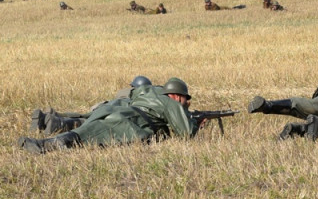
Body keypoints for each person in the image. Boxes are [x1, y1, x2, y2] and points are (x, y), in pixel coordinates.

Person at [18, 78, 198, 154]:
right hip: (129, 123)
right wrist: (194, 121)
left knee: (84, 127)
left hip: (119, 111)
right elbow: (186, 133)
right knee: (84, 136)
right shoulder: (171, 103)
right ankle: (42, 145)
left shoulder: (152, 93)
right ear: (178, 95)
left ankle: (47, 133)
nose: (184, 103)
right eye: (184, 99)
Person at [30, 76, 153, 136]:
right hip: (116, 111)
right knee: (85, 122)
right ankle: (57, 124)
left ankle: (53, 116)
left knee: (84, 116)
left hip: (104, 106)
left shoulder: (123, 92)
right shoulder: (141, 96)